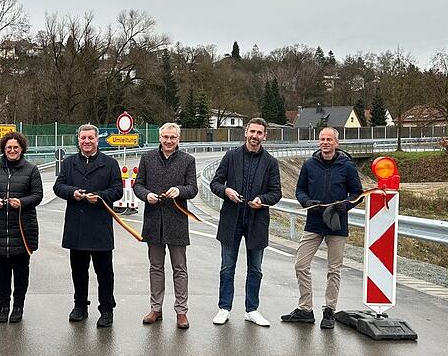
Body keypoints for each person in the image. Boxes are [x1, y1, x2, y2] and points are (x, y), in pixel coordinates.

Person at [282, 127, 363, 329]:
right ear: (319, 142)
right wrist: (306, 201)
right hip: (314, 222)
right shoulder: (309, 165)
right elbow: (300, 189)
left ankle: (329, 310)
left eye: (329, 139)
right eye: (322, 139)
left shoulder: (347, 165)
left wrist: (346, 205)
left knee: (334, 269)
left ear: (337, 142)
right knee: (301, 264)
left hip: (337, 223)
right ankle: (305, 309)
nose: (325, 142)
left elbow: (357, 193)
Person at [209, 118, 282, 327]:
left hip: (257, 221)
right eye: (252, 132)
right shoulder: (231, 157)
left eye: (259, 132)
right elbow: (215, 183)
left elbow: (276, 193)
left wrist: (263, 200)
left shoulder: (270, 162)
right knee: (227, 267)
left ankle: (252, 309)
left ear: (264, 136)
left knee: (256, 269)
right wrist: (226, 191)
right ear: (245, 133)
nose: (255, 136)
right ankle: (224, 308)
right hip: (231, 220)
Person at [53, 124, 123, 328]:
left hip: (100, 225)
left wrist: (100, 197)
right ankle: (80, 306)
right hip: (76, 225)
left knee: (104, 272)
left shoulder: (109, 163)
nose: (86, 141)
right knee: (78, 271)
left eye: (90, 138)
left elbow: (117, 190)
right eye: (83, 138)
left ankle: (107, 310)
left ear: (97, 139)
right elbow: (59, 186)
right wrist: (72, 192)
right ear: (78, 140)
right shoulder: (68, 163)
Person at [133, 122, 198, 329]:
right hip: (153, 220)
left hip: (177, 221)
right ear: (159, 137)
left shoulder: (188, 160)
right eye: (165, 137)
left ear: (179, 139)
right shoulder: (147, 158)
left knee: (179, 268)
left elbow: (193, 189)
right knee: (156, 267)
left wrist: (180, 191)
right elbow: (138, 185)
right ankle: (156, 308)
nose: (169, 141)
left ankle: (181, 311)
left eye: (173, 137)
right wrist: (146, 196)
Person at [0, 131, 43, 323]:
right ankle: (3, 306)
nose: (12, 150)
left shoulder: (31, 170)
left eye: (15, 147)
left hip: (23, 230)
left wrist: (21, 202)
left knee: (21, 273)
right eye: (9, 148)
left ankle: (18, 306)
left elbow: (37, 195)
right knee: (2, 273)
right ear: (4, 149)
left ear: (22, 148)